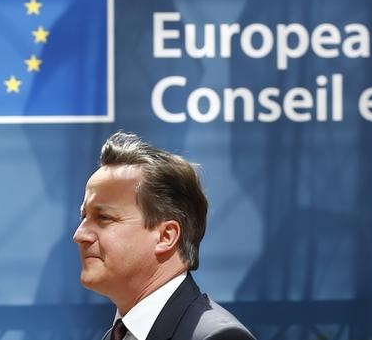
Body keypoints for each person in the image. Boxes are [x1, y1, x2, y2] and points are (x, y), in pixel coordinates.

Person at [73, 131, 255, 340]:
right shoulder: (116, 336)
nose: (79, 235)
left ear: (166, 236)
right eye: (83, 217)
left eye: (103, 217)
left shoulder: (218, 337)